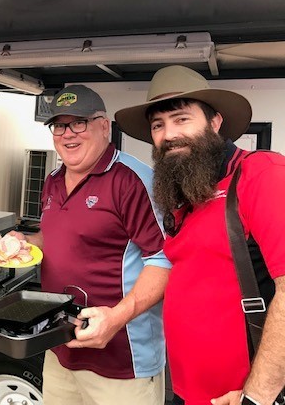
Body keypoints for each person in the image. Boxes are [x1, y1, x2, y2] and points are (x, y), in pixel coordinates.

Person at [114, 65, 285, 405]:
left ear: (215, 122)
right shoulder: (189, 193)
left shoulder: (261, 174)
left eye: (181, 119)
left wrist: (259, 395)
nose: (169, 134)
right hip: (187, 392)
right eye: (158, 125)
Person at [12, 84, 171, 405]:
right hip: (60, 348)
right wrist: (24, 243)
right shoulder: (53, 179)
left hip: (121, 359)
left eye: (79, 123)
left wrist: (115, 318)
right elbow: (55, 240)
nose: (68, 134)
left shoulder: (132, 180)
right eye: (59, 125)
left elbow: (164, 259)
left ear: (104, 126)